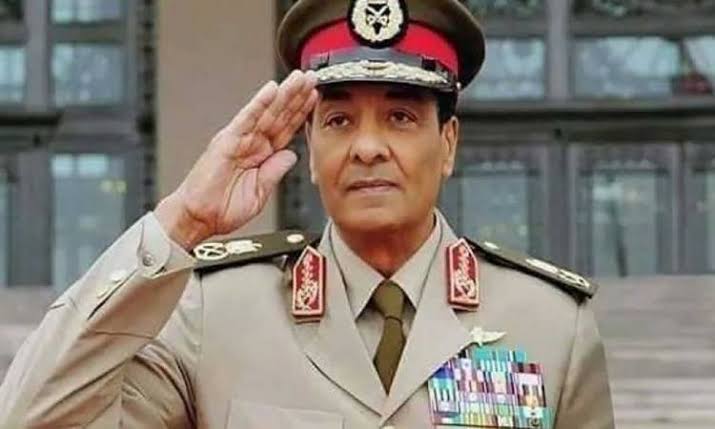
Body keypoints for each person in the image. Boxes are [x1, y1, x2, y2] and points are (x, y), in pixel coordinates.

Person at [0, 0, 615, 427]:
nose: (367, 147)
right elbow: (34, 416)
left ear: (448, 144)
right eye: (339, 120)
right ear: (311, 151)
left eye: (401, 117)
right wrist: (181, 221)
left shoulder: (550, 325)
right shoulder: (216, 314)